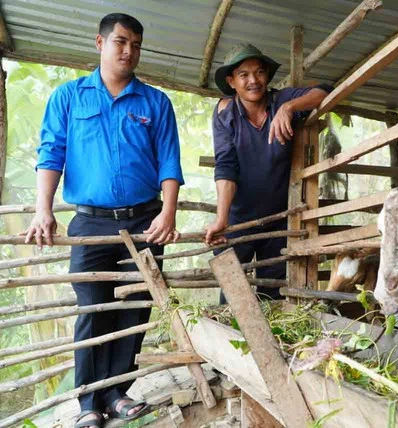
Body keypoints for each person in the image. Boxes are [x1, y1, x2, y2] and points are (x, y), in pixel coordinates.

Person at [23, 13, 184, 428]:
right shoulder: (69, 97)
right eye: (120, 42)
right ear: (100, 43)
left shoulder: (155, 102)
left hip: (145, 220)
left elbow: (169, 160)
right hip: (91, 223)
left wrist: (168, 210)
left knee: (136, 307)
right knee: (93, 309)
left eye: (135, 44)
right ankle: (88, 404)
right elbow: (51, 154)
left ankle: (118, 393)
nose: (128, 51)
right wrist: (44, 208)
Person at [204, 43, 331, 301]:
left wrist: (289, 108)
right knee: (233, 292)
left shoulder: (280, 100)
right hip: (239, 218)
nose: (253, 80)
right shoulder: (225, 114)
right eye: (244, 75)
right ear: (231, 81)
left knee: (272, 292)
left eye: (260, 72)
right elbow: (226, 165)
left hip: (279, 217)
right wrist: (222, 219)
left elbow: (326, 91)